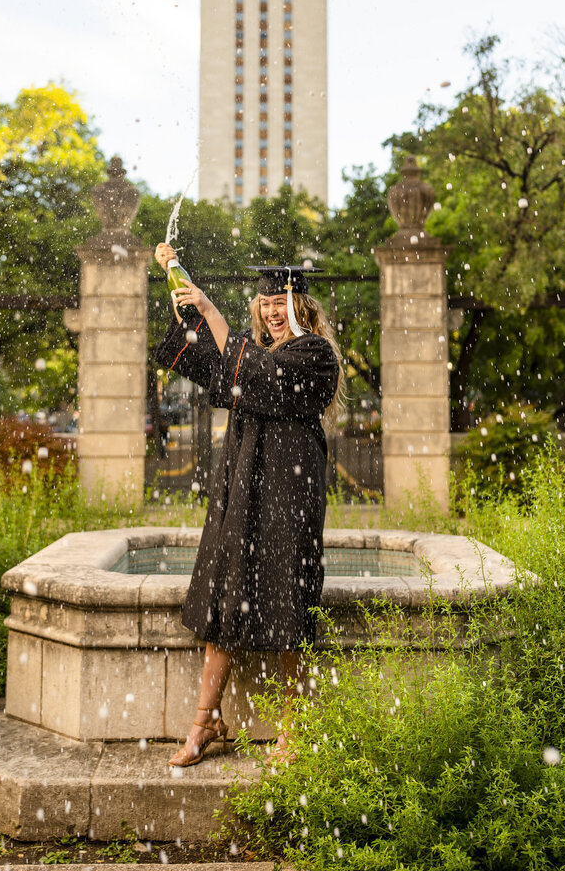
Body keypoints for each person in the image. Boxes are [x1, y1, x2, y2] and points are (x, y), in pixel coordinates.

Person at [152, 242, 341, 768]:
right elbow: (211, 365)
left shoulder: (316, 355)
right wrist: (186, 306)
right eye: (266, 303)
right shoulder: (253, 357)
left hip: (288, 491)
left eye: (283, 302)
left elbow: (256, 373)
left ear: (303, 309)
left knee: (287, 601)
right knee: (224, 596)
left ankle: (295, 728)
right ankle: (205, 721)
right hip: (242, 491)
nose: (273, 311)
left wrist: (212, 312)